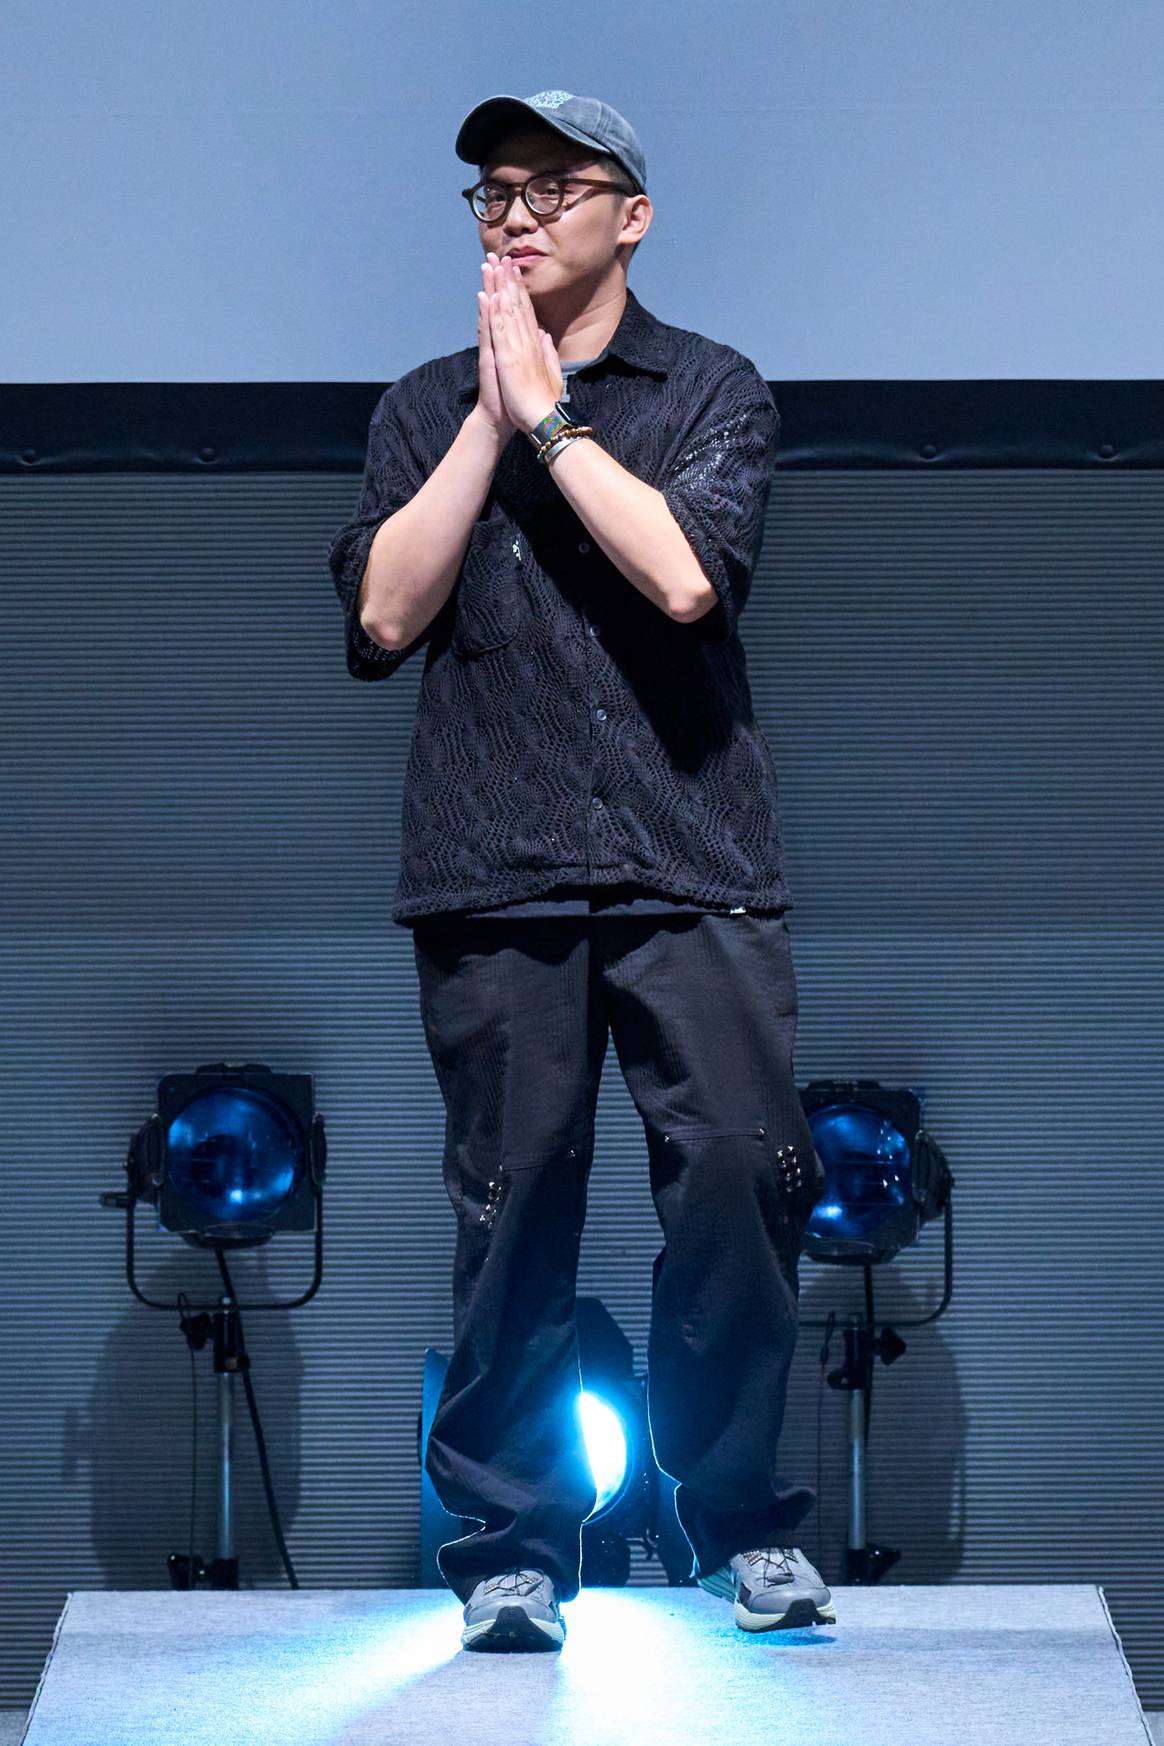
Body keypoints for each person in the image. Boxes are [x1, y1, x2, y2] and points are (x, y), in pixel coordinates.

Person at [327, 89, 832, 1653]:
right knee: (511, 1208)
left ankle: (738, 1519)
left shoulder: (712, 389)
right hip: (497, 868)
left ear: (635, 216)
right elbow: (383, 620)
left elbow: (686, 573)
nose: (519, 213)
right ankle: (509, 1543)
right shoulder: (419, 407)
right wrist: (486, 417)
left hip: (692, 857)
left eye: (558, 185)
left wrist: (554, 415)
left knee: (745, 1182)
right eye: (494, 191)